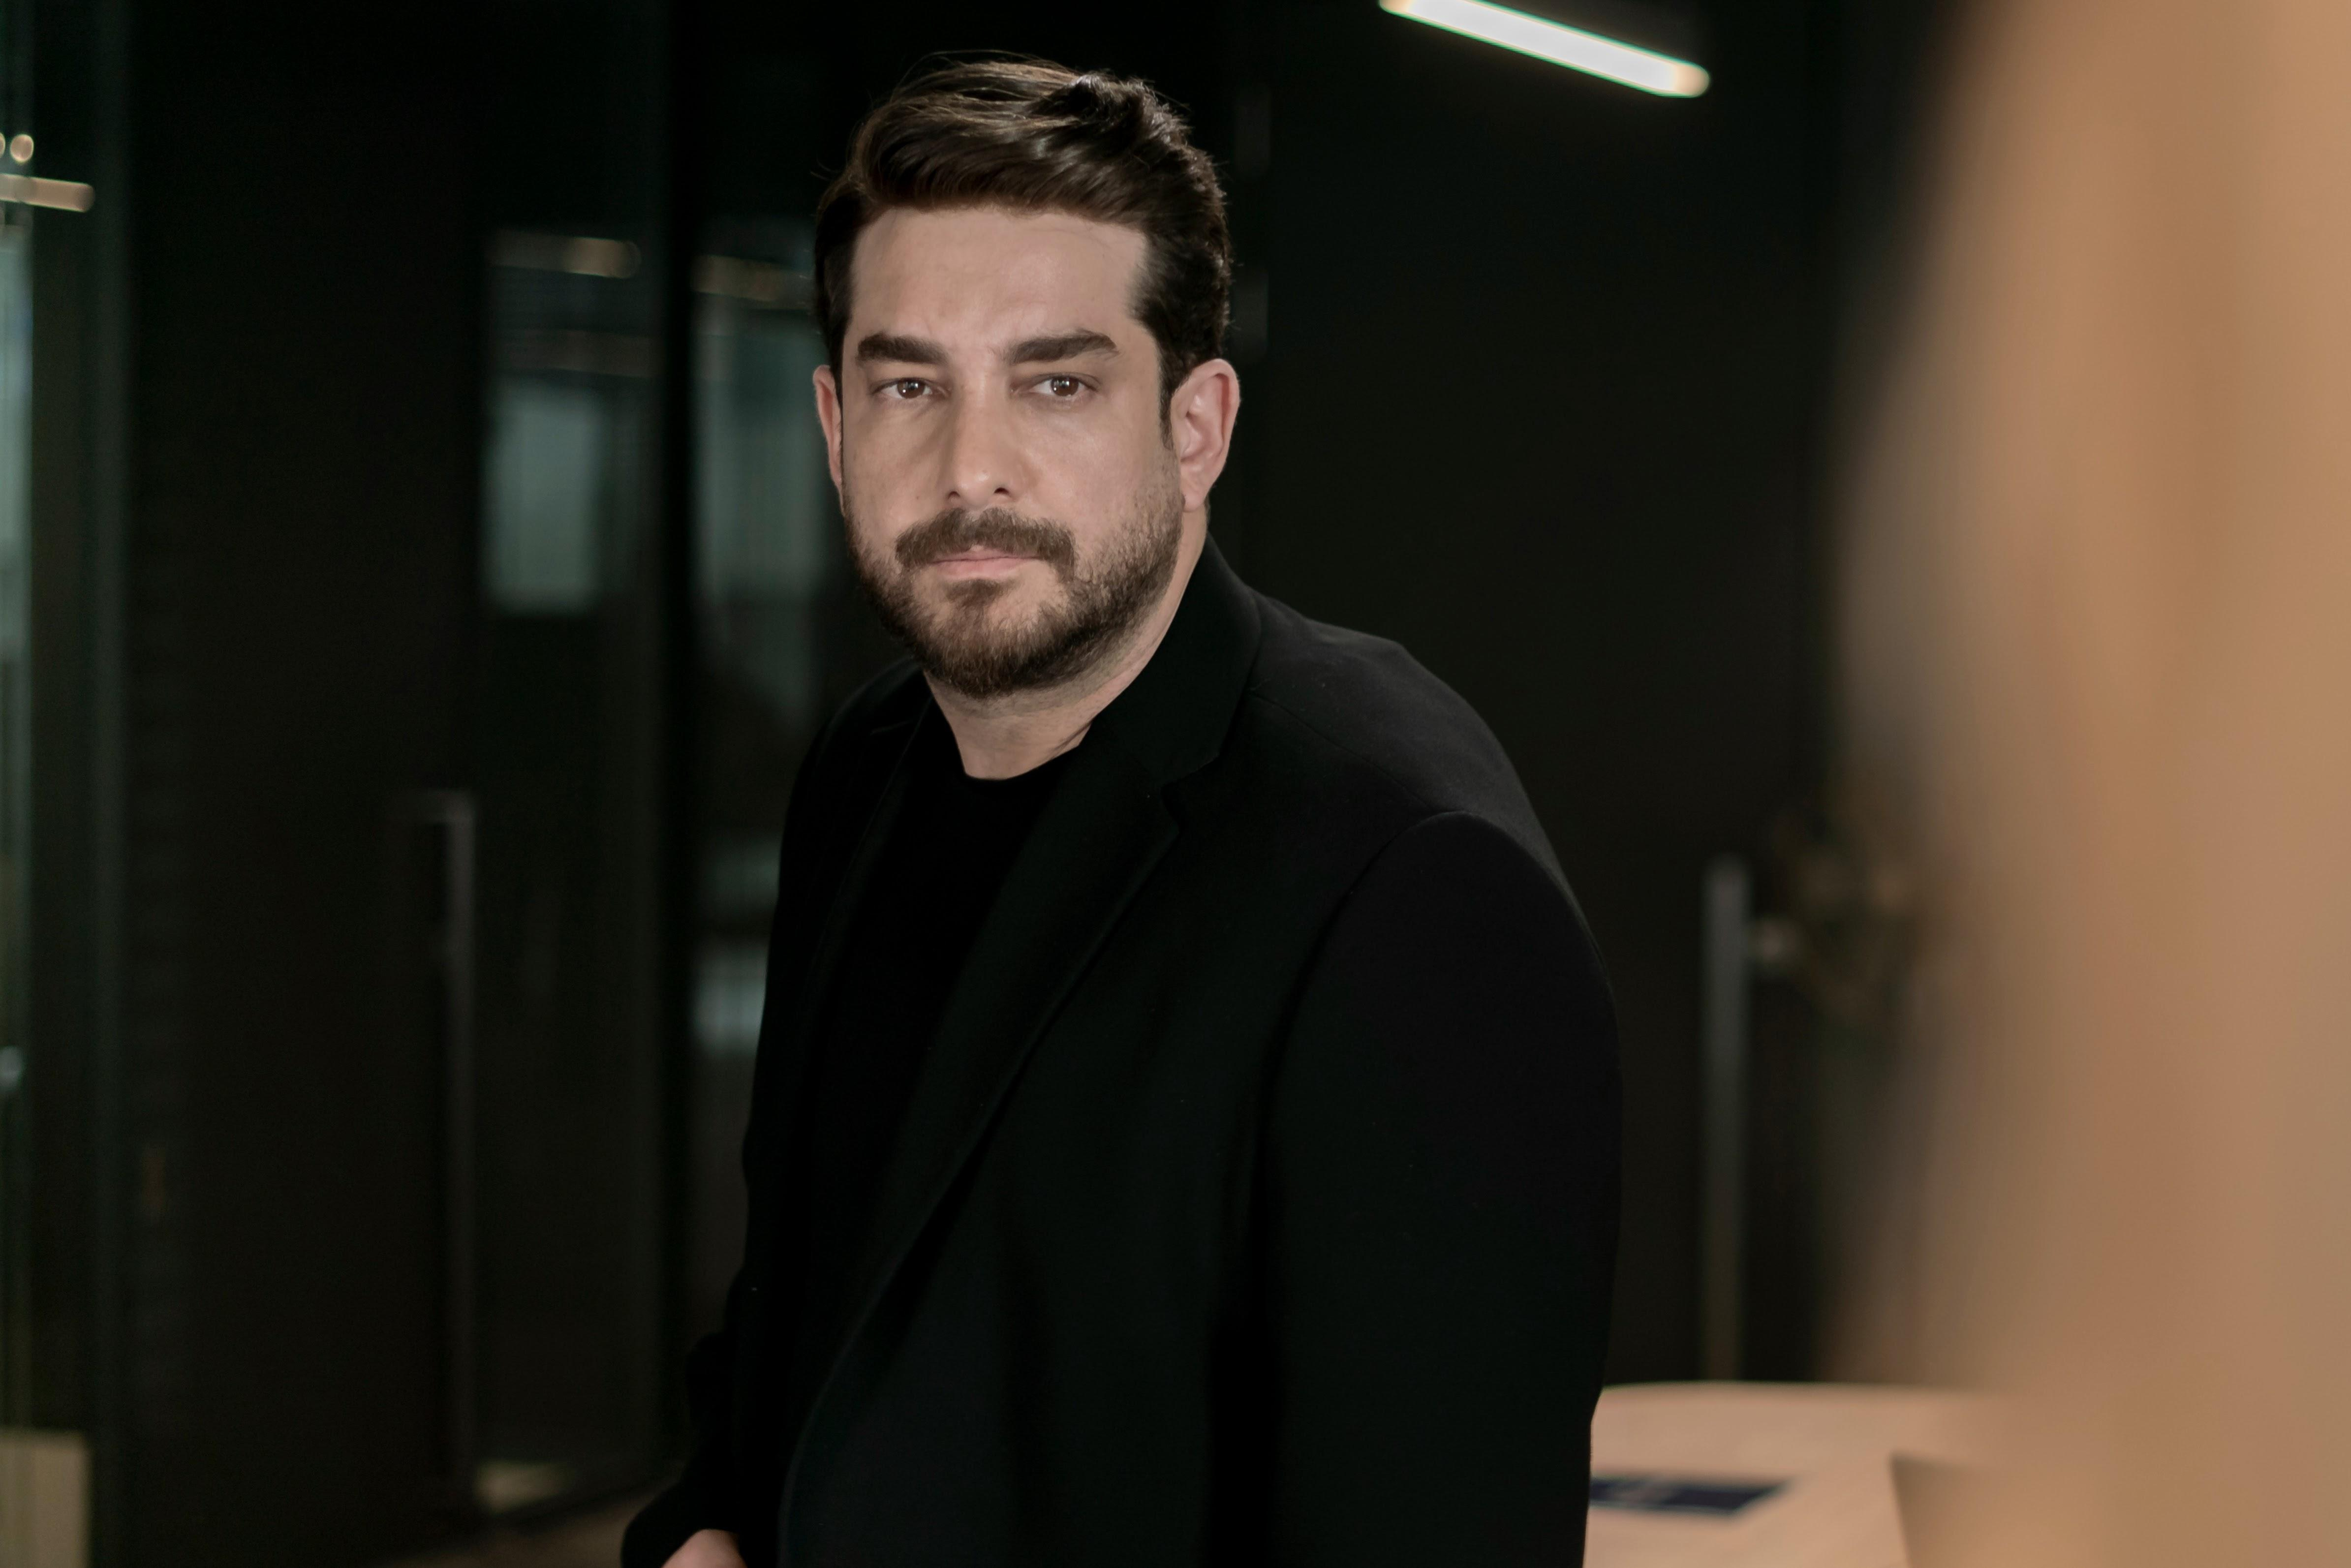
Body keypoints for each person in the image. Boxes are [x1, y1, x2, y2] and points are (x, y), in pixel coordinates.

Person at [624, 59, 1619, 1568]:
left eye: (1056, 382)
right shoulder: (869, 765)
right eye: (908, 384)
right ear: (832, 423)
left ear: (1195, 424)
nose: (970, 467)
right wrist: (700, 1527)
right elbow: (801, 1314)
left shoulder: (1408, 879)